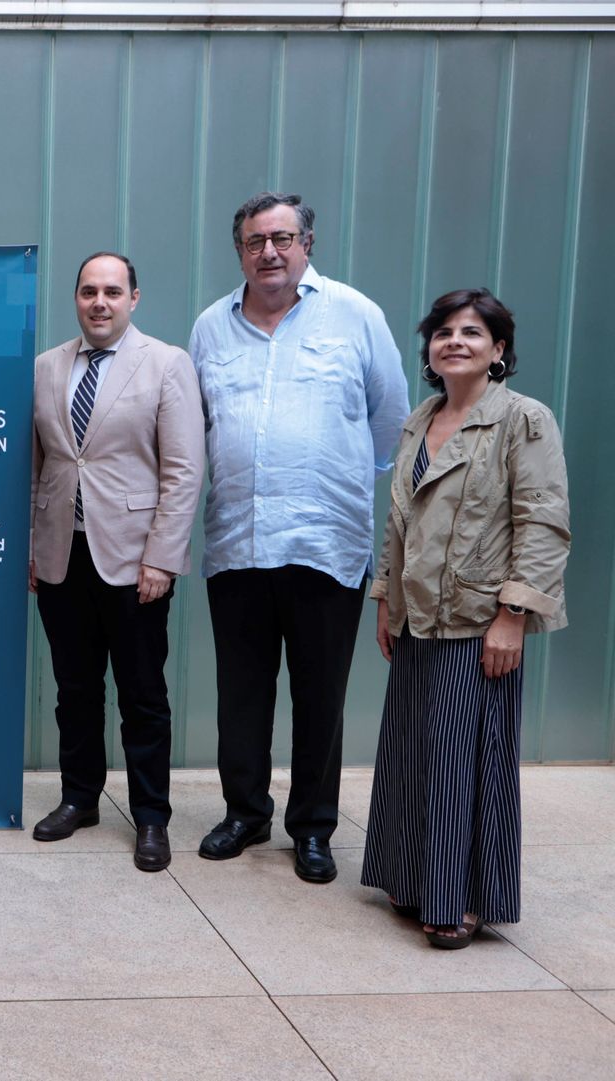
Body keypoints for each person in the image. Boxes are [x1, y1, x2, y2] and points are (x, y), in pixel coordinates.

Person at [189, 192, 409, 884]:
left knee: (320, 694)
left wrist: (332, 478)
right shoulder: (210, 328)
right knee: (242, 692)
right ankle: (244, 812)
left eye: (283, 237)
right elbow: (197, 425)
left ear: (307, 243)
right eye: (255, 241)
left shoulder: (355, 314)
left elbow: (391, 422)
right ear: (240, 251)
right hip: (237, 542)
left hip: (324, 541)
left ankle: (313, 828)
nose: (270, 252)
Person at [361, 289, 569, 948]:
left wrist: (513, 615)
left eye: (472, 332)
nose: (455, 341)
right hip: (418, 615)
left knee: (460, 760)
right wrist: (387, 596)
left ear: (499, 349)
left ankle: (459, 899)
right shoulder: (420, 419)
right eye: (443, 331)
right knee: (413, 751)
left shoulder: (523, 419)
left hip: (478, 617)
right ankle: (413, 877)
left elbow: (542, 519)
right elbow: (399, 518)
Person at [29, 252, 204, 871]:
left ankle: (152, 817)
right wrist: (33, 546)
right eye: (87, 292)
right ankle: (80, 798)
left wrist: (162, 558)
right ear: (75, 299)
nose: (98, 302)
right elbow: (37, 466)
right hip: (61, 556)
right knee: (74, 689)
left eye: (111, 291)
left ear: (134, 298)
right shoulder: (47, 367)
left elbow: (183, 471)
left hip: (134, 561)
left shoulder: (166, 364)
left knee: (142, 694)